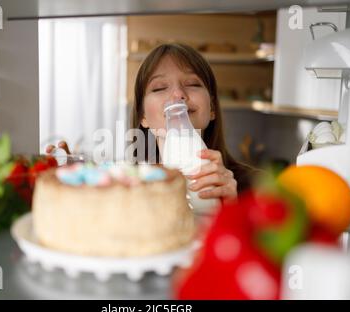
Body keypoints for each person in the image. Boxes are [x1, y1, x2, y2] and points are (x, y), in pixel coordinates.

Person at [46, 43, 257, 202]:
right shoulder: (129, 186)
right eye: (159, 88)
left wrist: (233, 210)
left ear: (211, 108)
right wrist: (77, 182)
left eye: (192, 83)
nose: (177, 94)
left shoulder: (256, 185)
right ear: (143, 117)